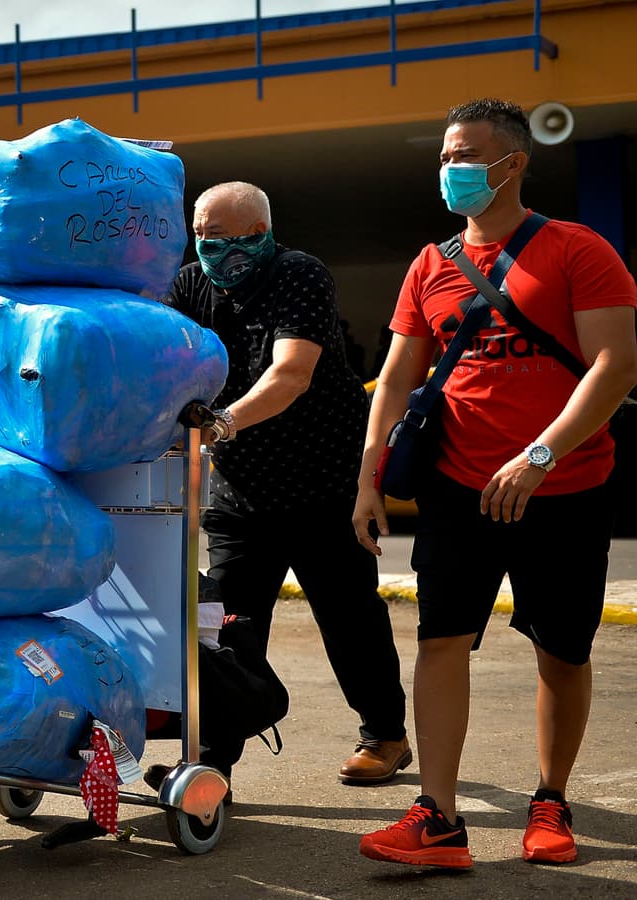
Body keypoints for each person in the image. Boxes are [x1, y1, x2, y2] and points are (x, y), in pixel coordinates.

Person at [355, 99, 637, 870]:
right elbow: (394, 379)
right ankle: (439, 819)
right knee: (441, 639)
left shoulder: (580, 249)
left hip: (566, 485)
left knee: (562, 651)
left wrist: (541, 454)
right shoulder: (429, 263)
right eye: (446, 156)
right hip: (456, 486)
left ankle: (551, 799)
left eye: (467, 156)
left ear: (513, 164)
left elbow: (617, 365)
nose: (452, 170)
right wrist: (369, 478)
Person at [158, 181, 410, 797]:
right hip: (241, 493)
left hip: (326, 483)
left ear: (264, 233)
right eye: (206, 238)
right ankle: (213, 759)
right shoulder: (191, 285)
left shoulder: (299, 274)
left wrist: (219, 424)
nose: (219, 251)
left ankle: (385, 735)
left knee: (349, 617)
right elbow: (164, 362)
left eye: (235, 239)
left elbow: (291, 372)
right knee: (226, 624)